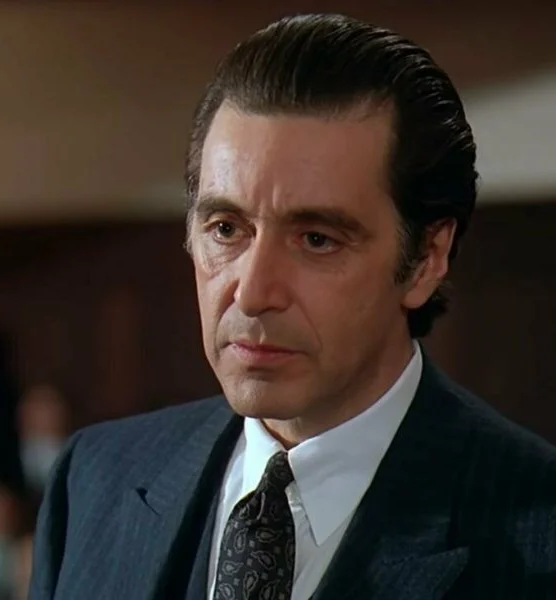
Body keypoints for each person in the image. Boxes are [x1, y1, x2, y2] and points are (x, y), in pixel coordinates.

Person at [29, 13, 556, 600]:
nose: (253, 293)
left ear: (426, 258)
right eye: (226, 228)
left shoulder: (539, 532)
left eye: (317, 240)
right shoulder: (94, 479)